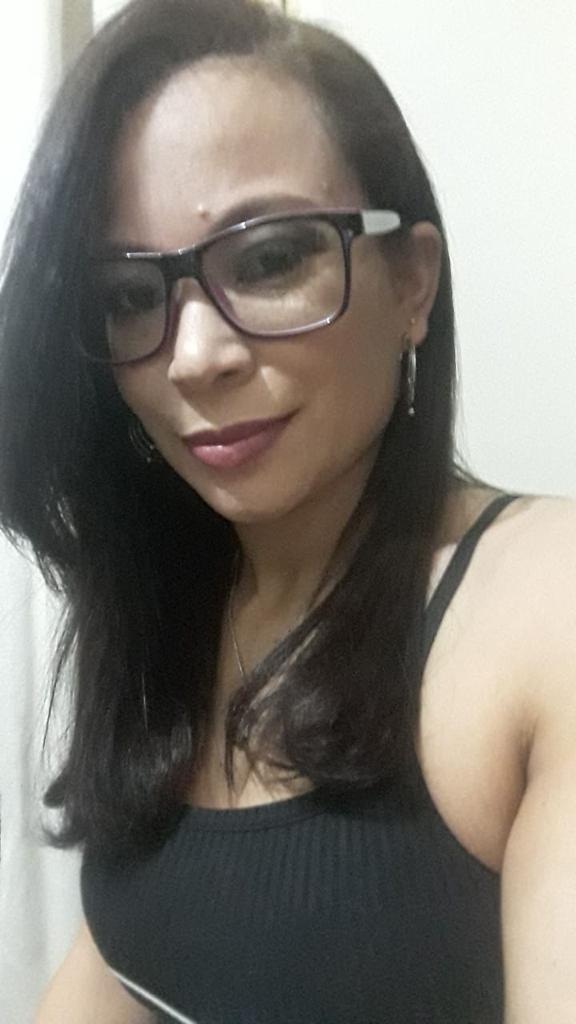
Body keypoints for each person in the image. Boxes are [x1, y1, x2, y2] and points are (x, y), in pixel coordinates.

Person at [0, 0, 574, 1021]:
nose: (193, 357)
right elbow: (131, 964)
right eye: (129, 296)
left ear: (412, 282)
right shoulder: (173, 608)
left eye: (268, 260)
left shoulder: (541, 607)